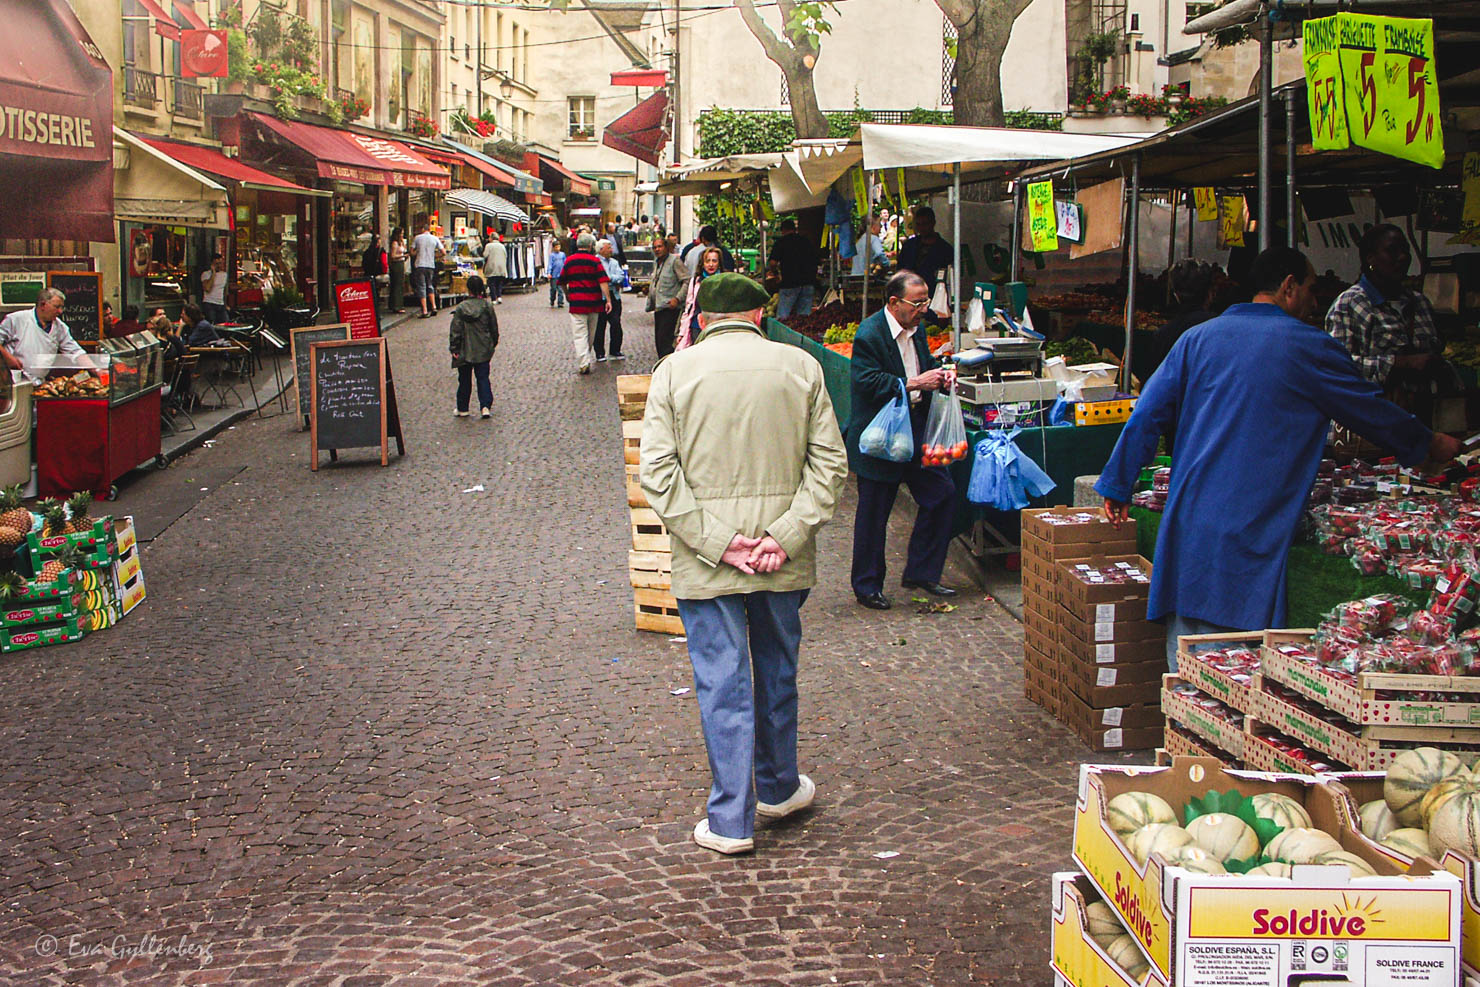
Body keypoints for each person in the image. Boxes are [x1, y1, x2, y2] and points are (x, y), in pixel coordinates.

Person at [1096, 247, 1462, 668]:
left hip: (1189, 526)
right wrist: (1431, 446)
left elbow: (1146, 413)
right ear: (1288, 287)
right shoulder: (1307, 345)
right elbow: (1372, 412)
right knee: (1227, 688)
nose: (1314, 301)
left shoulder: (1197, 339)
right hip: (1246, 533)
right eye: (1309, 288)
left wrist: (1118, 483)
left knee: (1186, 682)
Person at [639, 272, 849, 856]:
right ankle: (778, 788)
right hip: (782, 557)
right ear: (760, 314)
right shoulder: (801, 366)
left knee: (721, 680)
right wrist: (782, 536)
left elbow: (657, 474)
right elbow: (830, 465)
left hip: (708, 562)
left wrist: (720, 542)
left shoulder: (673, 373)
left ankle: (731, 820)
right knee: (778, 669)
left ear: (701, 319)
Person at [846, 271, 959, 610]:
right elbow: (866, 381)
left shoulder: (918, 329)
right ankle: (867, 586)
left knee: (943, 494)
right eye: (917, 302)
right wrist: (911, 383)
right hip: (882, 436)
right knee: (874, 513)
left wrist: (937, 374)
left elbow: (920, 367)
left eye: (925, 301)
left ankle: (922, 572)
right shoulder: (870, 333)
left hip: (915, 430)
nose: (924, 308)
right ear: (894, 303)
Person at [1326, 223, 1447, 426]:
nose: (1402, 257)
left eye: (1405, 251)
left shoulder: (1420, 303)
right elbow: (1336, 367)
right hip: (1374, 426)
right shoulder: (1350, 304)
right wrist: (1399, 364)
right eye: (1392, 251)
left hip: (1422, 421)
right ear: (1370, 258)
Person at [0, 287, 89, 383]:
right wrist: (8, 358)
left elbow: (76, 352)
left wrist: (97, 370)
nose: (60, 311)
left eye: (61, 307)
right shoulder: (16, 320)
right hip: (12, 382)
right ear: (43, 305)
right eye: (57, 307)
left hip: (38, 383)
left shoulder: (60, 327)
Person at [557, 232, 612, 375]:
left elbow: (562, 280)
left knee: (580, 333)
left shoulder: (569, 261)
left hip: (577, 303)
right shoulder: (595, 261)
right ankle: (585, 358)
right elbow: (603, 281)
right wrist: (608, 299)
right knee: (590, 333)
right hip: (594, 302)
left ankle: (584, 361)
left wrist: (567, 294)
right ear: (590, 246)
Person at [449, 275, 499, 420]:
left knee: (464, 380)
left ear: (468, 289)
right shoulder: (487, 306)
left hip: (465, 349)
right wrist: (492, 344)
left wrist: (454, 349)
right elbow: (493, 328)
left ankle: (463, 407)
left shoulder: (461, 308)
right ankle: (485, 406)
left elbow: (455, 330)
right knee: (483, 378)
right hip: (483, 348)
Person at [896, 206, 954, 302]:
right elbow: (900, 271)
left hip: (934, 298)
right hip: (908, 296)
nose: (921, 228)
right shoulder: (909, 246)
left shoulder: (945, 249)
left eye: (925, 224)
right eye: (918, 224)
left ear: (933, 223)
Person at [647, 235, 689, 358]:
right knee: (659, 342)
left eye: (660, 246)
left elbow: (687, 281)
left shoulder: (674, 261)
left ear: (666, 247)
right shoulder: (657, 263)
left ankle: (667, 367)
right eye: (655, 247)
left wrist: (677, 298)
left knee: (665, 342)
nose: (657, 249)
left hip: (670, 308)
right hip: (658, 307)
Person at [676, 246, 724, 351]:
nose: (711, 264)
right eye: (707, 261)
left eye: (714, 261)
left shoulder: (724, 281)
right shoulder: (695, 281)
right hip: (696, 327)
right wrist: (682, 332)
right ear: (703, 263)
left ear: (719, 263)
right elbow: (689, 308)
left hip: (717, 327)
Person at [771, 218, 819, 320]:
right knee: (804, 318)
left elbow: (773, 263)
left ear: (783, 230)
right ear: (794, 229)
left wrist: (775, 274)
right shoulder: (806, 241)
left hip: (790, 282)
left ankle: (781, 336)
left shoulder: (781, 242)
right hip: (808, 282)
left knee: (783, 317)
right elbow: (816, 259)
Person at [594, 238, 626, 363]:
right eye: (609, 247)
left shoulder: (614, 262)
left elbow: (620, 276)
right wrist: (610, 279)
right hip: (599, 297)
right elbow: (599, 278)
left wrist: (609, 278)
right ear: (601, 249)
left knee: (616, 323)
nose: (611, 250)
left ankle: (615, 349)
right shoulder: (595, 262)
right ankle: (599, 352)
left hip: (614, 296)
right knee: (599, 326)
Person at [411, 220, 443, 319]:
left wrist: (418, 252)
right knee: (430, 285)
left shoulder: (417, 238)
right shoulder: (435, 238)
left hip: (420, 264)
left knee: (421, 286)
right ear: (429, 230)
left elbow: (412, 252)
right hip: (430, 265)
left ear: (422, 229)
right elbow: (443, 252)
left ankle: (424, 310)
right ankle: (434, 307)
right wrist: (435, 256)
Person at [200, 252, 229, 325]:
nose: (219, 266)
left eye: (220, 263)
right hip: (209, 303)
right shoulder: (206, 274)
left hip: (220, 303)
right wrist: (213, 274)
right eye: (216, 264)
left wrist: (226, 304)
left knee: (225, 323)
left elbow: (224, 290)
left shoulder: (224, 275)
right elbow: (207, 288)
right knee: (212, 324)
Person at [481, 232, 508, 304]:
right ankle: (499, 297)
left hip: (492, 266)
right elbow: (506, 255)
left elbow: (485, 255)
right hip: (501, 266)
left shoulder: (488, 246)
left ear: (491, 238)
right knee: (499, 282)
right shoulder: (502, 246)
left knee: (491, 282)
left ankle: (493, 299)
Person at [388, 228, 407, 313]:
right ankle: (396, 305)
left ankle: (398, 303)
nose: (402, 235)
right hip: (396, 264)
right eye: (401, 233)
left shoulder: (401, 242)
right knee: (397, 284)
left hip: (401, 263)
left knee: (400, 284)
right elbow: (393, 256)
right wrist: (402, 256)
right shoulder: (394, 243)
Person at [547, 242, 567, 308]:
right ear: (553, 248)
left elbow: (565, 263)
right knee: (553, 289)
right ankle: (552, 299)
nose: (558, 248)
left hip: (561, 275)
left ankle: (560, 302)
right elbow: (550, 264)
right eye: (556, 247)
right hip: (554, 275)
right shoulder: (552, 255)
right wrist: (549, 273)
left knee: (560, 289)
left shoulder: (562, 254)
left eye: (558, 247)